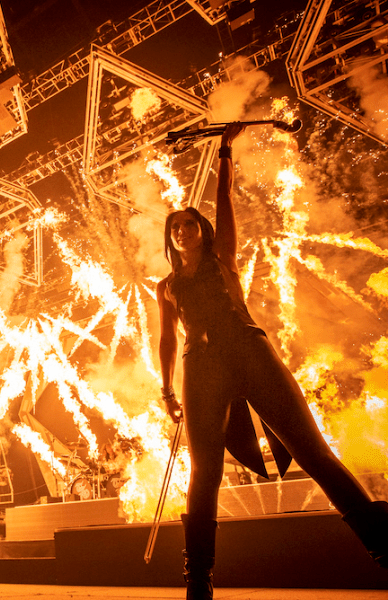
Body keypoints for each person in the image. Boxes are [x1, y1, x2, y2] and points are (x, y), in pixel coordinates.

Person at [156, 122, 388, 600]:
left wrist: (224, 151)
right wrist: (166, 390)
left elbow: (224, 201)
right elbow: (165, 340)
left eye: (189, 223)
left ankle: (386, 551)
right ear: (170, 238)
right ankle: (198, 580)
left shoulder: (224, 257)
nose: (181, 230)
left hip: (250, 350)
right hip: (201, 367)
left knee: (313, 453)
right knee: (204, 472)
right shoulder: (166, 287)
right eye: (174, 227)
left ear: (202, 230)